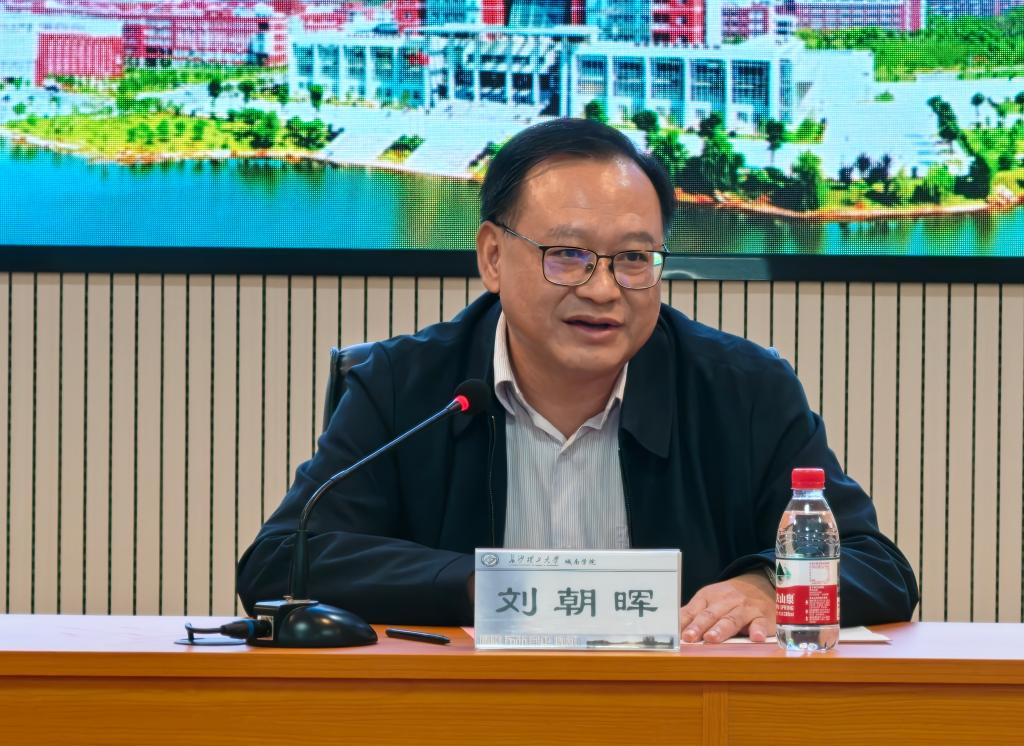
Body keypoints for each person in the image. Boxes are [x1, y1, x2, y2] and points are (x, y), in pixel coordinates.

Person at [236, 118, 918, 641]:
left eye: (634, 258)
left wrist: (769, 585)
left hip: (681, 726)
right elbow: (282, 561)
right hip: (460, 724)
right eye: (567, 255)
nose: (603, 289)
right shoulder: (405, 386)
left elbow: (877, 566)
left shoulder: (742, 390)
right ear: (493, 256)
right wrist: (486, 586)